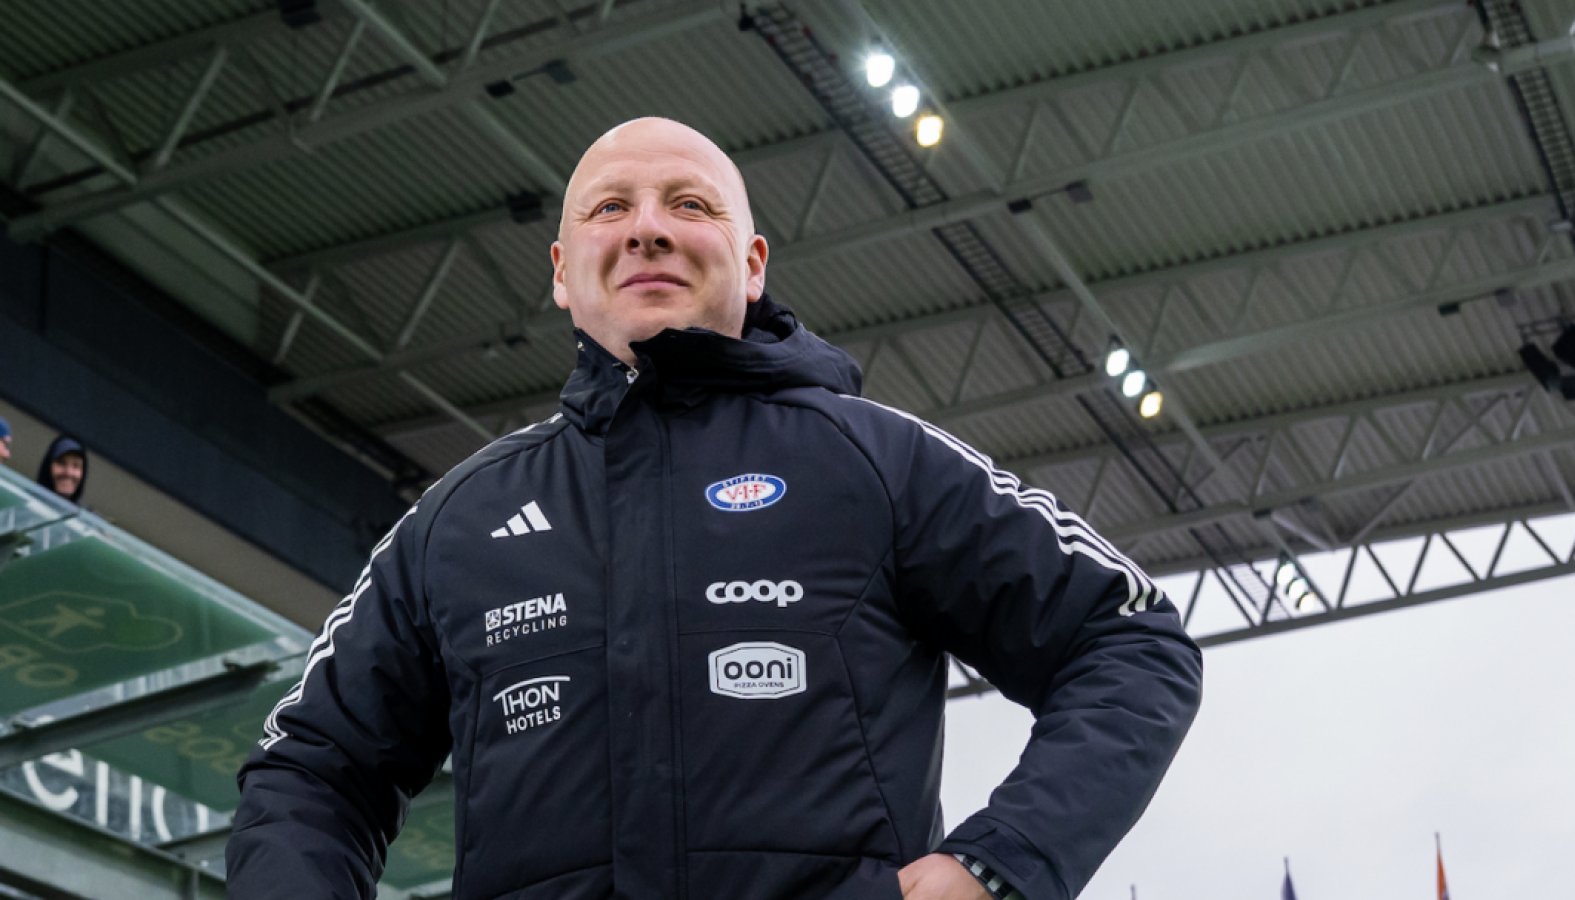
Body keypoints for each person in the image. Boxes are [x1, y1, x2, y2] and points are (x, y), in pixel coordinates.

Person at [229, 118, 1202, 900]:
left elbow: (1130, 641)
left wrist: (999, 864)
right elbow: (310, 772)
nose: (647, 226)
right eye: (612, 207)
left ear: (752, 263)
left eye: (687, 204)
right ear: (563, 271)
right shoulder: (457, 522)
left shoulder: (875, 461)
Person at [35, 434, 87, 504]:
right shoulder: (26, 503)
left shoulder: (85, 514)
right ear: (48, 466)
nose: (68, 472)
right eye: (61, 463)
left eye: (76, 465)